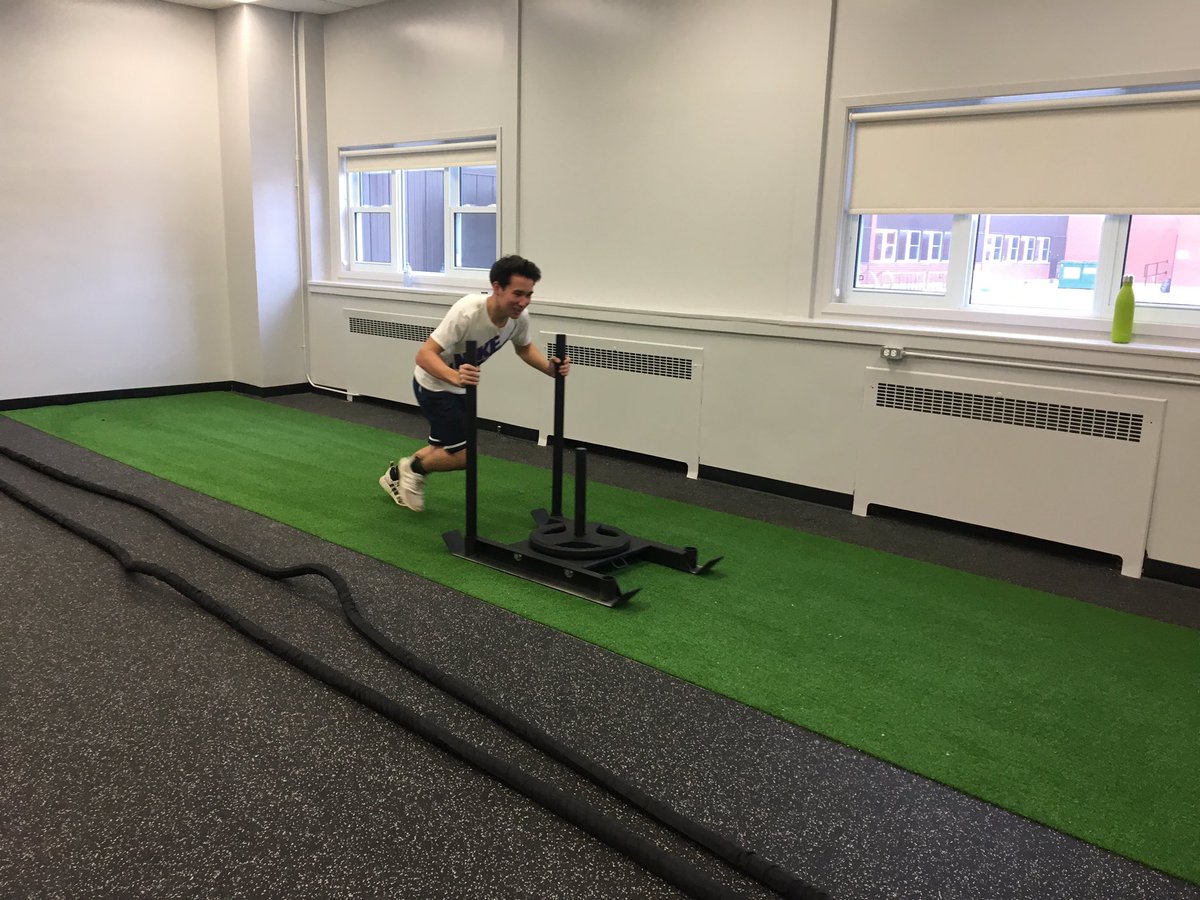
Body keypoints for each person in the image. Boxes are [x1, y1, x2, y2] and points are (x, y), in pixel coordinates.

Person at [379, 254, 570, 512]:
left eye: (529, 295)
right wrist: (454, 377)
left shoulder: (519, 318)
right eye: (517, 294)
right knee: (464, 457)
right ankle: (413, 470)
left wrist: (549, 368)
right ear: (497, 287)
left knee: (441, 447)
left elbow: (524, 348)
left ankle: (395, 476)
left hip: (460, 387)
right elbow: (424, 355)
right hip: (434, 384)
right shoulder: (467, 312)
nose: (523, 302)